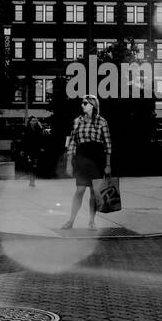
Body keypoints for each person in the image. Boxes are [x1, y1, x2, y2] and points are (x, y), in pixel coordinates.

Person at [62, 94, 111, 230]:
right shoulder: (77, 121)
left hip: (97, 159)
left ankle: (91, 221)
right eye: (82, 103)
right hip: (82, 158)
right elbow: (72, 142)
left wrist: (108, 164)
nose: (82, 105)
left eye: (85, 103)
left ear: (93, 105)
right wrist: (68, 163)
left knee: (94, 192)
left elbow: (107, 144)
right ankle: (71, 221)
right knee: (80, 190)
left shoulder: (102, 121)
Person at [22, 116, 44, 187]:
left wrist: (41, 147)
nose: (34, 122)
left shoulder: (39, 129)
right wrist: (22, 150)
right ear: (30, 121)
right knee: (30, 164)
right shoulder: (26, 129)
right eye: (33, 121)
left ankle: (32, 180)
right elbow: (23, 140)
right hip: (28, 150)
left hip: (36, 150)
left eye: (35, 121)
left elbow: (42, 139)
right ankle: (31, 180)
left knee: (34, 166)